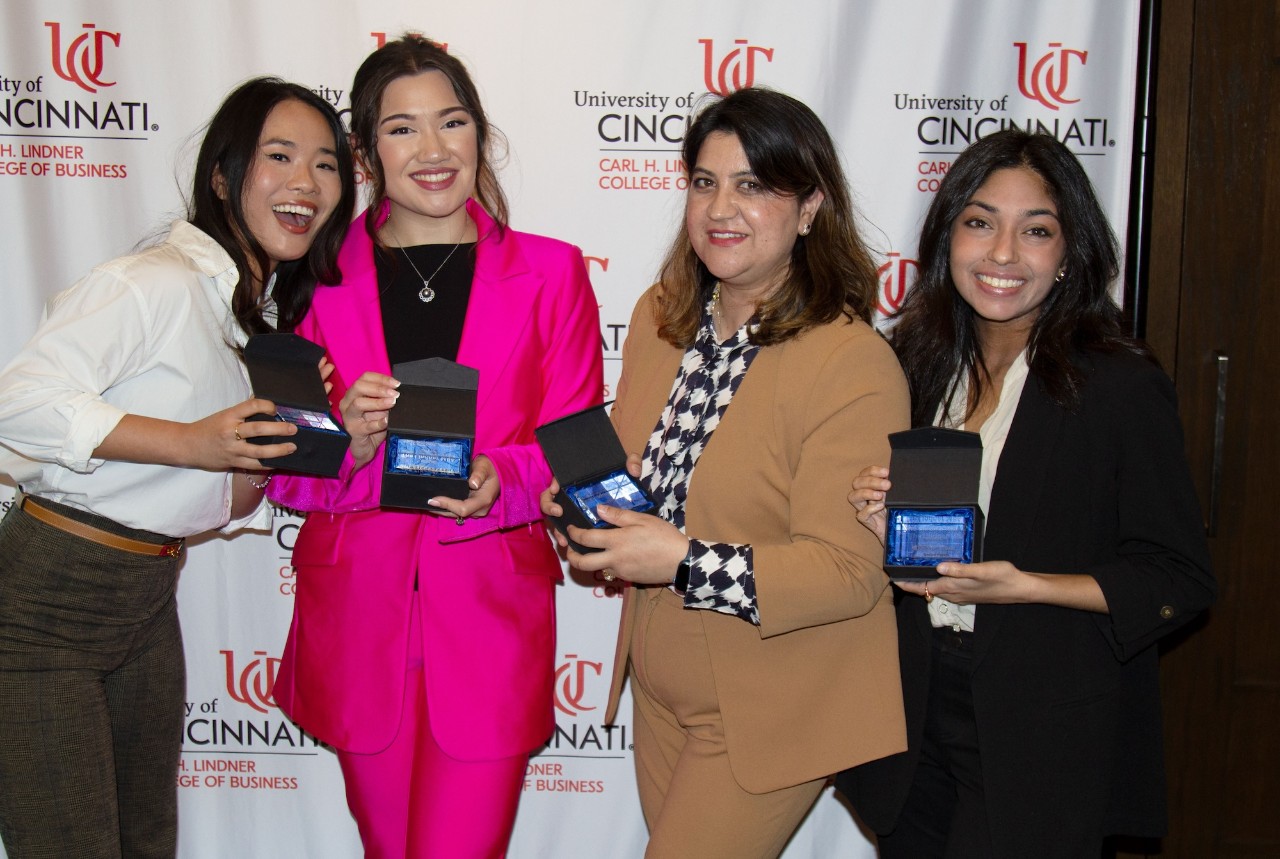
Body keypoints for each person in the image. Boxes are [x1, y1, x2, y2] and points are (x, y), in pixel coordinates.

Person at [542, 87, 910, 858]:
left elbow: (850, 570)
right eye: (705, 181)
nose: (721, 206)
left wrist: (678, 558)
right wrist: (582, 501)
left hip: (774, 694)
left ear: (809, 207)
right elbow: (642, 466)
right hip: (659, 676)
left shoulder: (852, 362)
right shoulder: (661, 315)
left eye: (753, 184)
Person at [264, 35, 602, 859]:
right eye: (402, 129)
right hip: (357, 622)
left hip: (489, 615)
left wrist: (503, 479)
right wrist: (347, 435)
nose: (433, 149)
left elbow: (575, 440)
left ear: (479, 133)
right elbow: (286, 470)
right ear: (367, 151)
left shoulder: (552, 274)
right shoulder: (316, 273)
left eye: (451, 122)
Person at [834, 130, 1216, 858]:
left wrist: (1027, 585)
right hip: (910, 712)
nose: (1002, 253)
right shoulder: (911, 363)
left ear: (1070, 253)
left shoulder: (1118, 385)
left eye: (1035, 230)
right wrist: (879, 516)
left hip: (1039, 726)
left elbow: (1181, 577)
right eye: (980, 222)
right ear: (948, 237)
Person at [0, 77, 354, 858]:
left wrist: (282, 441)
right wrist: (191, 440)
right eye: (280, 156)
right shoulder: (152, 281)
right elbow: (16, 403)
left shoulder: (251, 320)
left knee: (146, 840)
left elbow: (219, 504)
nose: (305, 183)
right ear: (223, 176)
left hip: (148, 601)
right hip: (49, 598)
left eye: (326, 165)